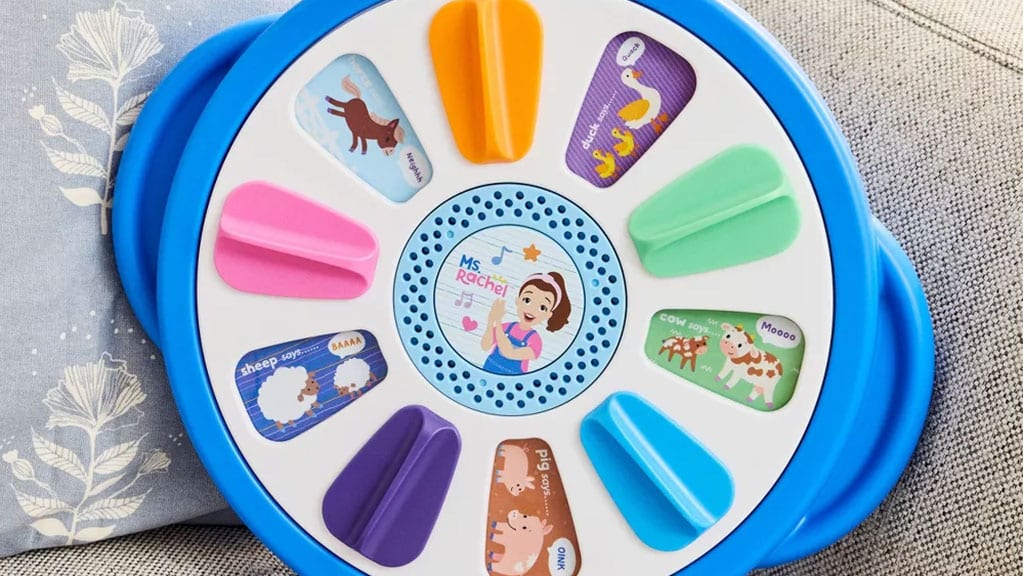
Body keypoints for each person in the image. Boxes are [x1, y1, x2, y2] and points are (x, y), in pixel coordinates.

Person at [480, 272, 573, 375]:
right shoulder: (506, 327)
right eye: (527, 300)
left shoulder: (535, 340)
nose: (532, 309)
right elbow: (485, 345)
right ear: (518, 300)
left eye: (542, 307)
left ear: (548, 314)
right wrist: (491, 320)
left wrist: (497, 322)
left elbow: (509, 353)